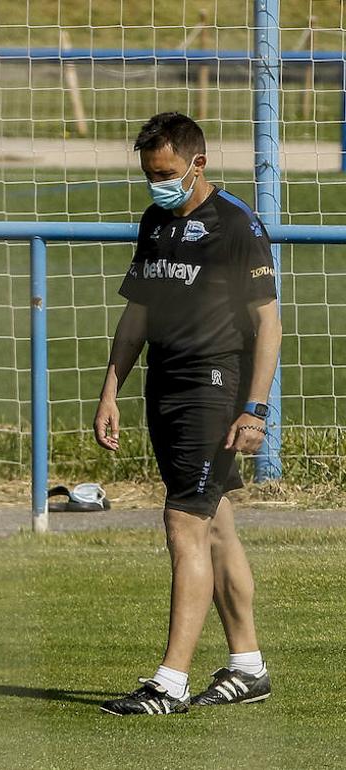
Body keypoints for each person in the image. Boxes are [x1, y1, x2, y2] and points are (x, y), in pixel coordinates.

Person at [94, 112, 281, 716]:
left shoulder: (236, 225)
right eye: (149, 173)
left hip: (215, 386)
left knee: (184, 524)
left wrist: (254, 410)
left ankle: (168, 683)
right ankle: (247, 666)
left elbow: (268, 325)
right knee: (216, 522)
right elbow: (138, 314)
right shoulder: (154, 222)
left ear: (197, 163)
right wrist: (110, 389)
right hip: (164, 386)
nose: (156, 183)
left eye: (166, 173)